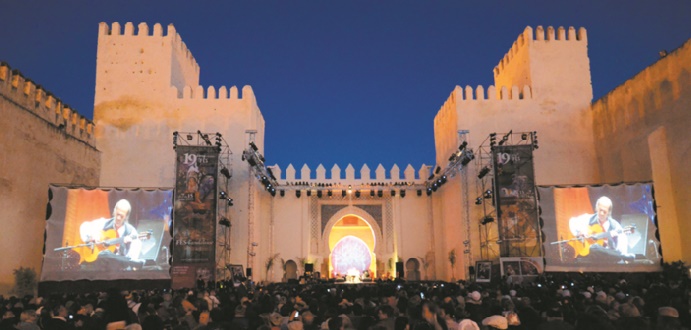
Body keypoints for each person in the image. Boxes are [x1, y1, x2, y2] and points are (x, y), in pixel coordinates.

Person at [80, 199, 144, 269]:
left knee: (106, 254)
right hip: (101, 264)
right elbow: (84, 226)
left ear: (126, 216)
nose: (118, 218)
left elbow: (133, 255)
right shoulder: (104, 223)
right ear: (114, 211)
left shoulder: (131, 231)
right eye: (117, 214)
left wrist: (123, 254)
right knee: (103, 254)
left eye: (122, 216)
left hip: (119, 268)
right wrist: (93, 236)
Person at [568, 196, 634, 262]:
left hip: (608, 259)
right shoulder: (588, 218)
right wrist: (580, 232)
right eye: (600, 210)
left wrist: (614, 248)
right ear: (596, 208)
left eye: (604, 212)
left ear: (609, 212)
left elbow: (623, 241)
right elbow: (572, 221)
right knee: (593, 247)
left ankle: (622, 256)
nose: (601, 213)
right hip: (590, 257)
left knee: (594, 247)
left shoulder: (615, 225)